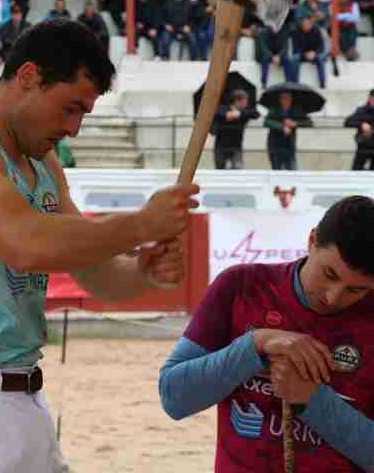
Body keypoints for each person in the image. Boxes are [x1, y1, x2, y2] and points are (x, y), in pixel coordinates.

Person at [0, 19, 199, 473]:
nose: (73, 128)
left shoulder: (43, 163)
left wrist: (144, 271)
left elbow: (97, 273)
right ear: (28, 77)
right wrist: (140, 225)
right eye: (70, 108)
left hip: (22, 400)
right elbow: (24, 242)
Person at [159, 195, 374, 473]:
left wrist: (311, 399)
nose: (333, 297)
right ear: (311, 240)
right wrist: (256, 344)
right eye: (329, 274)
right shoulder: (241, 287)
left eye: (356, 290)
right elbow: (174, 398)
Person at [264, 90, 313, 170]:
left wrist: (295, 123)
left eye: (288, 98)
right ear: (280, 99)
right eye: (284, 98)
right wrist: (282, 127)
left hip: (289, 146)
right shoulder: (274, 109)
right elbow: (266, 122)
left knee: (292, 170)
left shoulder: (295, 109)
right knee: (277, 170)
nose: (286, 100)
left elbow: (309, 122)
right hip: (275, 146)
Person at [211, 89, 259, 169]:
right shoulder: (224, 108)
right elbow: (216, 113)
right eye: (244, 101)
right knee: (220, 170)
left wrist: (240, 113)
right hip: (221, 147)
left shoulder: (244, 112)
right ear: (237, 101)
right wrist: (226, 114)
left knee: (238, 170)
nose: (246, 103)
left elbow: (256, 114)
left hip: (236, 147)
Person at [344, 89, 374, 170]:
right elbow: (348, 122)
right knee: (356, 172)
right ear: (370, 98)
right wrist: (361, 124)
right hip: (363, 147)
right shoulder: (362, 110)